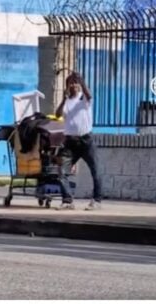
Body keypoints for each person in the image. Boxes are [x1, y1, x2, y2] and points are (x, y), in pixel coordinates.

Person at [55, 72, 102, 211]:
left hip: (86, 141)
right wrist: (63, 99)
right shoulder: (67, 102)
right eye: (71, 83)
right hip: (70, 142)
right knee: (61, 171)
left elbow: (89, 95)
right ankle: (68, 201)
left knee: (96, 171)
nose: (73, 85)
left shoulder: (84, 99)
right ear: (67, 86)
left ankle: (97, 201)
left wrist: (82, 83)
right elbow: (58, 114)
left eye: (76, 83)